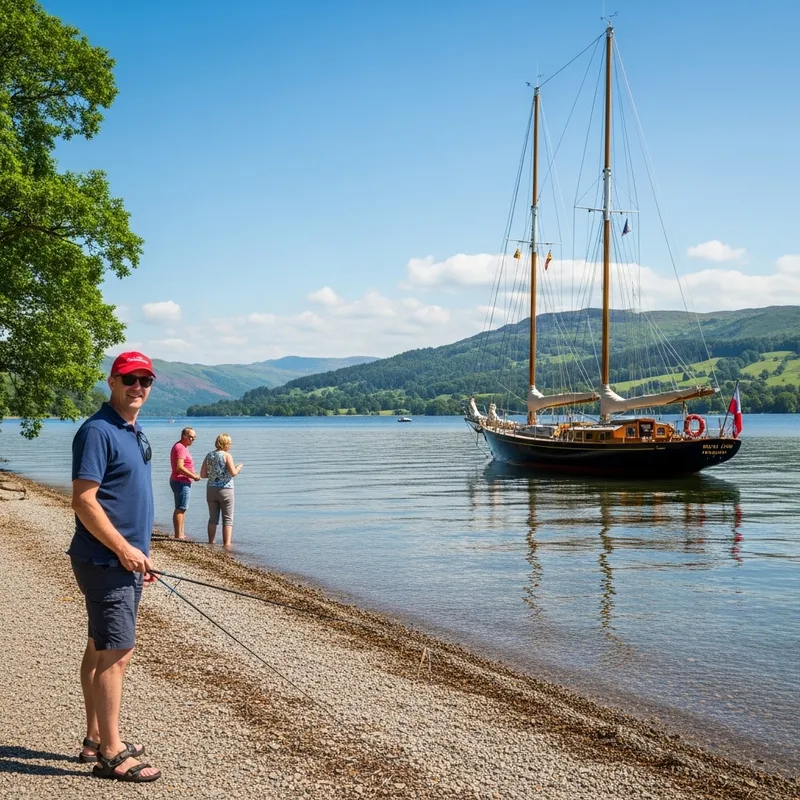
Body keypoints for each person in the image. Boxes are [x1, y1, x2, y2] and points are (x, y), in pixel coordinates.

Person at [68, 351, 161, 783]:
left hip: (122, 557)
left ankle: (93, 738)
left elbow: (129, 498)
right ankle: (110, 750)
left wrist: (141, 552)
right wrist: (124, 549)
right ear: (112, 381)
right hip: (106, 559)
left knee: (99, 646)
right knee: (117, 655)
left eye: (145, 380)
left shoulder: (133, 431)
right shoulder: (97, 431)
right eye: (130, 379)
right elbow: (84, 500)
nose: (138, 387)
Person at [200, 433, 243, 547]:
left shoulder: (209, 455)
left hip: (211, 489)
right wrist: (238, 468)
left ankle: (211, 542)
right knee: (228, 519)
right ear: (225, 444)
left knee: (212, 518)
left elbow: (203, 474)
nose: (230, 446)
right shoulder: (227, 455)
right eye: (229, 443)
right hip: (226, 489)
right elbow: (233, 473)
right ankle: (226, 544)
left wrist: (214, 475)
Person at [169, 427, 200, 539]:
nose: (192, 439)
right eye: (190, 437)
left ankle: (181, 533)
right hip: (180, 480)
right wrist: (194, 476)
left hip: (181, 481)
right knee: (180, 508)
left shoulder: (182, 447)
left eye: (194, 438)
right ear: (184, 436)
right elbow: (179, 467)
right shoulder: (180, 448)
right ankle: (178, 535)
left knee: (182, 508)